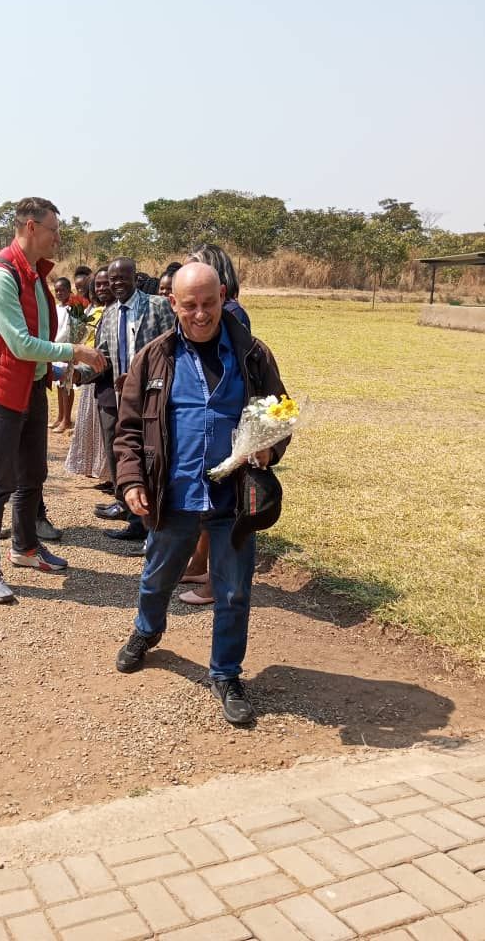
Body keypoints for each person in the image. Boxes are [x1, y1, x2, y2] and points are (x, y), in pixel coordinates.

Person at [113, 262, 288, 724]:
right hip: (174, 495)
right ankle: (147, 630)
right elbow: (128, 429)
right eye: (189, 305)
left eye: (209, 303)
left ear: (224, 296)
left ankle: (226, 673)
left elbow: (279, 414)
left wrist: (270, 448)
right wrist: (131, 480)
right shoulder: (154, 357)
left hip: (234, 501)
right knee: (157, 578)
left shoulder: (253, 355)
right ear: (173, 302)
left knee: (233, 592)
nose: (201, 314)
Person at [0, 197, 105, 604]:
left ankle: (25, 548)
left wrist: (56, 370)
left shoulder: (34, 275)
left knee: (33, 475)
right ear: (31, 227)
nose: (58, 238)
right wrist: (75, 353)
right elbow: (20, 344)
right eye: (53, 230)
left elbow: (38, 341)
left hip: (30, 386)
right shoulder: (0, 275)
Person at [83, 257, 174, 542]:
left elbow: (173, 349)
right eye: (113, 279)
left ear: (135, 278)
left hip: (155, 398)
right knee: (129, 455)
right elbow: (103, 357)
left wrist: (141, 378)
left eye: (123, 277)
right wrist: (74, 373)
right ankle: (136, 521)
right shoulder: (109, 314)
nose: (117, 283)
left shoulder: (157, 306)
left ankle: (157, 527)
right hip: (124, 399)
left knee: (155, 457)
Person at [178, 245, 250, 604]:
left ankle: (214, 582)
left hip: (226, 427)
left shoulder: (232, 315)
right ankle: (199, 565)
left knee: (222, 510)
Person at [64, 267, 113, 480]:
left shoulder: (112, 312)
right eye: (98, 285)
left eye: (106, 284)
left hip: (102, 372)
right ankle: (99, 470)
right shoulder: (93, 311)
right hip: (89, 370)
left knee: (107, 430)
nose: (101, 288)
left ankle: (110, 475)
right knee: (95, 425)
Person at [51, 277, 77, 433]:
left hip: (65, 349)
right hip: (55, 350)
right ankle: (60, 417)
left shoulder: (73, 309)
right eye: (57, 291)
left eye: (62, 290)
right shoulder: (56, 308)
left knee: (67, 385)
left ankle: (66, 419)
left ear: (69, 291)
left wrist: (56, 344)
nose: (59, 293)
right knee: (59, 384)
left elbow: (68, 330)